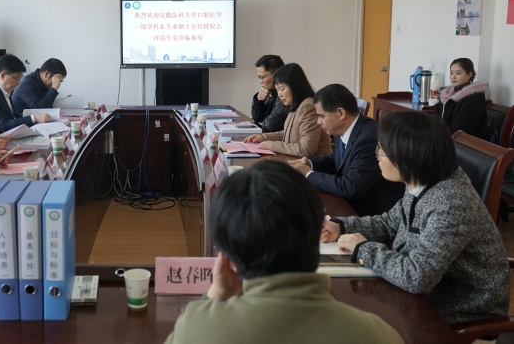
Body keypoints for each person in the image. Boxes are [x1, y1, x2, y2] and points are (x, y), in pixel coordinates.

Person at [164, 161, 403, 344]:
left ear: (226, 258)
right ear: (317, 234)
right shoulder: (377, 335)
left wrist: (216, 294)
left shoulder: (196, 330)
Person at [321, 112, 509, 328]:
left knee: (354, 319)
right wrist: (341, 226)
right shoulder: (421, 179)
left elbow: (417, 277)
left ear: (408, 156)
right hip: (428, 289)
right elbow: (389, 223)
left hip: (463, 306)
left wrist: (363, 249)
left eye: (382, 150)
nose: (377, 155)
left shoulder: (451, 203)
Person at [288, 84, 403, 216]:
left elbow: (351, 186)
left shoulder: (369, 137)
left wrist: (309, 174)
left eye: (321, 116)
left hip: (370, 212)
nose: (318, 122)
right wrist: (309, 163)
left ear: (340, 113)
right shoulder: (343, 129)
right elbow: (336, 159)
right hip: (350, 202)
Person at [244, 63, 331, 157]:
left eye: (282, 89)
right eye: (277, 90)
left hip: (312, 164)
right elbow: (289, 133)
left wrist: (273, 145)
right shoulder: (295, 105)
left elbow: (306, 150)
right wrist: (263, 137)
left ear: (295, 86)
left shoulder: (307, 107)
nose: (279, 94)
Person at [0, 53, 51, 135]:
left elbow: (13, 118)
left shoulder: (5, 90)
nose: (18, 83)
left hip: (10, 136)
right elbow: (4, 125)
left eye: (20, 78)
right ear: (3, 75)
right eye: (16, 78)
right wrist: (34, 118)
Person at [436, 58, 488, 139]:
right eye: (451, 73)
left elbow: (459, 130)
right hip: (446, 137)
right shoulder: (447, 94)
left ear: (469, 75)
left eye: (458, 73)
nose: (453, 77)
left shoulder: (473, 100)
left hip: (463, 143)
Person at [250, 54, 288, 132]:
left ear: (276, 73)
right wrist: (259, 101)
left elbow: (270, 125)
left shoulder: (286, 95)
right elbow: (257, 118)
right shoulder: (270, 92)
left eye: (262, 77)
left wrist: (260, 123)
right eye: (259, 77)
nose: (260, 81)